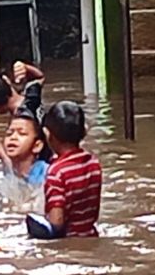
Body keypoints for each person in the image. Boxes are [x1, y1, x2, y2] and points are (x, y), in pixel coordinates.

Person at [26, 101, 102, 240]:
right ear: (84, 131)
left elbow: (57, 221)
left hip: (68, 242)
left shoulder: (56, 172)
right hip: (91, 236)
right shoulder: (93, 163)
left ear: (47, 134)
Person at [0, 108, 48, 212]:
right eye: (9, 133)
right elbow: (4, 158)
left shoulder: (44, 172)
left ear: (37, 146)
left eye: (22, 133)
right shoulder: (12, 169)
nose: (13, 137)